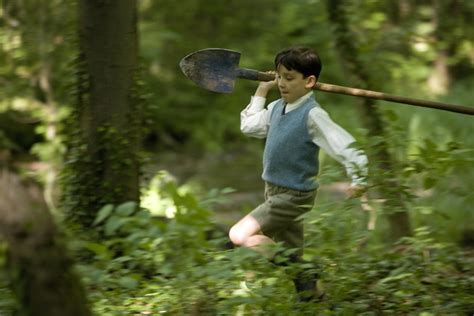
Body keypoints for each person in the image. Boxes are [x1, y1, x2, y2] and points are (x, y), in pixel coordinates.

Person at [228, 46, 368, 302]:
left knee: (240, 234)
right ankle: (314, 297)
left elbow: (343, 144)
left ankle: (306, 273)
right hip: (273, 190)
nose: (282, 83)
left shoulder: (312, 115)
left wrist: (359, 178)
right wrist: (262, 89)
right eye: (280, 76)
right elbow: (249, 126)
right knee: (290, 252)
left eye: (290, 78)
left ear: (310, 81)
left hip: (294, 195)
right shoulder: (275, 108)